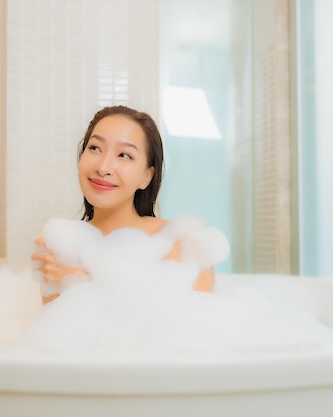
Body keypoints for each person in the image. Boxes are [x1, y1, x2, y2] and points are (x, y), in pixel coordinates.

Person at [31, 105, 228, 304]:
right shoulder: (63, 248)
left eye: (124, 155)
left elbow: (195, 329)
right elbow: (62, 330)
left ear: (146, 176)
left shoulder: (185, 244)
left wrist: (79, 281)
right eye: (95, 148)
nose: (103, 167)